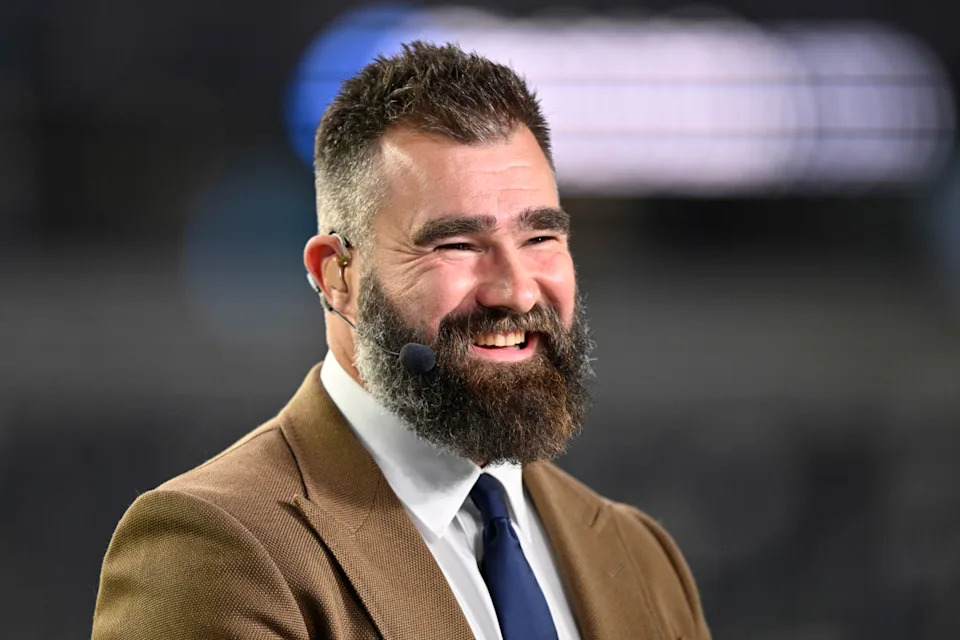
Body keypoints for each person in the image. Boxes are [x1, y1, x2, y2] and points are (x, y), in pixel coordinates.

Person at [92, 41, 710, 640]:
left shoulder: (642, 557)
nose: (517, 292)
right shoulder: (213, 550)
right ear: (337, 275)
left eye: (540, 239)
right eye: (456, 245)